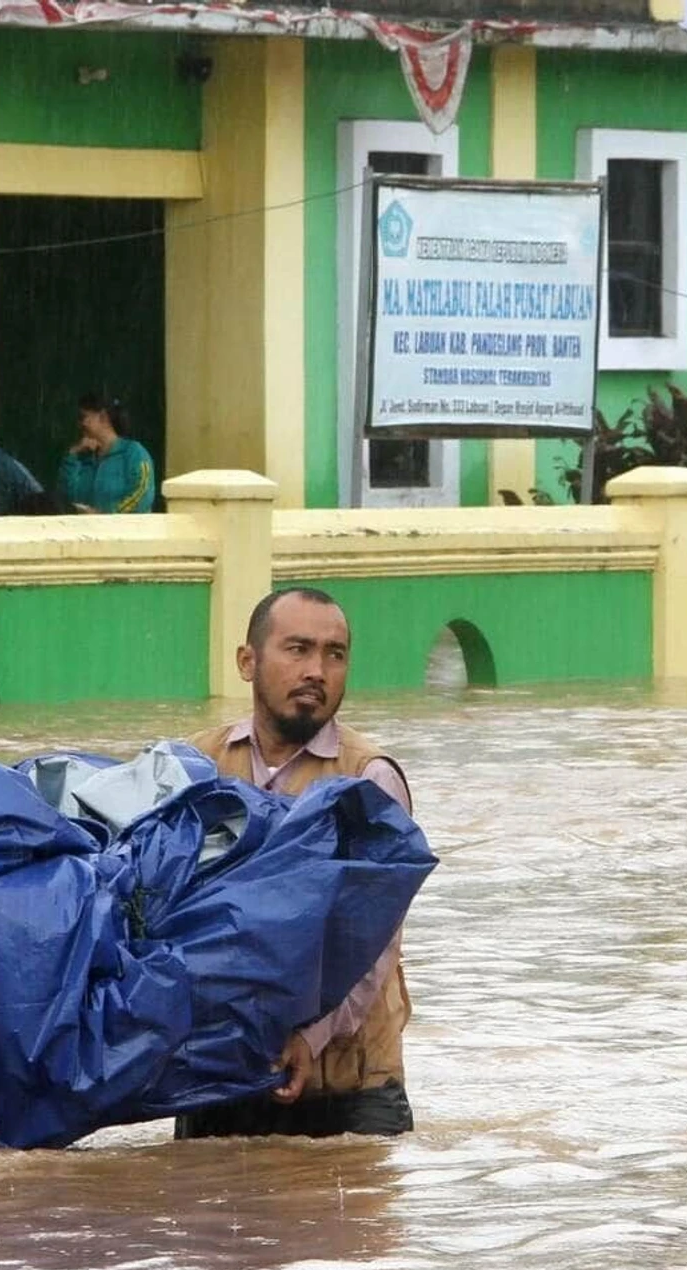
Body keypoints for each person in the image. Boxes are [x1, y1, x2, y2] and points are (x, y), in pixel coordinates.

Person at [178, 587, 417, 1139]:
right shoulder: (194, 766)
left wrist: (311, 1037)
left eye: (334, 655)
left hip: (350, 1087)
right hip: (219, 1078)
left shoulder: (369, 779)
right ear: (247, 661)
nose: (317, 670)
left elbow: (375, 945)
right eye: (298, 650)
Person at [55, 394, 157, 515]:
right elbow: (65, 496)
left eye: (83, 417)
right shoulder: (83, 457)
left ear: (103, 417)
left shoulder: (133, 452)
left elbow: (142, 493)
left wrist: (107, 516)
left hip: (128, 531)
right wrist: (72, 455)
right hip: (86, 531)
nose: (80, 424)